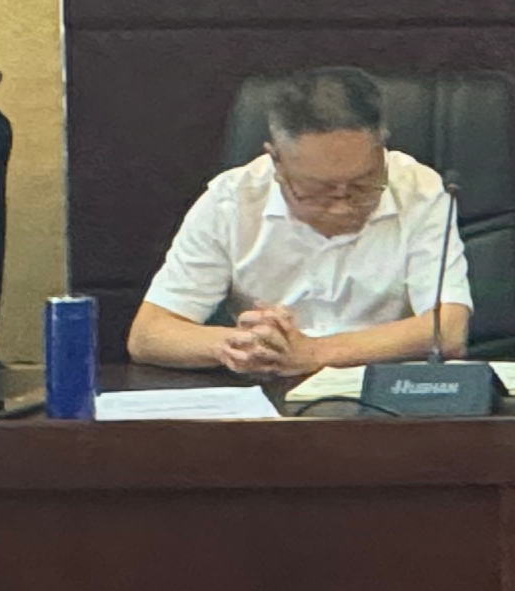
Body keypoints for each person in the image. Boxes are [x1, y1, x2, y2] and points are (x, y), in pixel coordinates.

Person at [128, 67, 471, 375]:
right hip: (269, 396)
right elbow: (148, 335)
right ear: (276, 161)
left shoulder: (419, 189)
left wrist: (315, 353)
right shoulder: (231, 200)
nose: (342, 207)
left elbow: (448, 329)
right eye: (318, 191)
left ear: (382, 149)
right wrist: (241, 345)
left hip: (384, 393)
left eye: (363, 185)